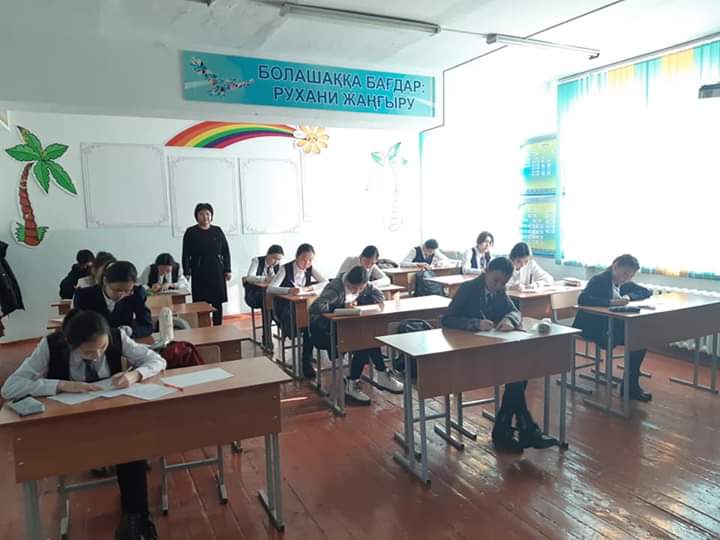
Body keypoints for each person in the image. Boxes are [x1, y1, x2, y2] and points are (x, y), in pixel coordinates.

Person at [1, 309, 164, 539]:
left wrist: (134, 375)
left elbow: (157, 360)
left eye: (102, 348)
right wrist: (61, 385)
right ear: (70, 343)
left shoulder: (116, 336)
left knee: (132, 446)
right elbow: (10, 387)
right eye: (88, 352)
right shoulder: (51, 345)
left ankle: (135, 518)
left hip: (114, 418)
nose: (97, 356)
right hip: (70, 424)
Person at [442, 257, 557, 453]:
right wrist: (475, 323)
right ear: (487, 271)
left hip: (491, 348)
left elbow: (515, 312)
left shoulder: (500, 290)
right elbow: (448, 319)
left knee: (519, 372)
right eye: (495, 280)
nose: (498, 286)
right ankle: (521, 427)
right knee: (517, 375)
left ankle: (510, 429)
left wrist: (509, 320)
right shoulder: (469, 288)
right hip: (467, 352)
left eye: (503, 283)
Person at [309, 266, 403, 404]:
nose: (357, 291)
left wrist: (369, 302)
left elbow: (379, 295)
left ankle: (364, 379)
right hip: (324, 331)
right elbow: (315, 307)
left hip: (347, 328)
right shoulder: (335, 288)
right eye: (353, 288)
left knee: (367, 338)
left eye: (360, 288)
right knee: (364, 341)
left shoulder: (364, 284)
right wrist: (342, 307)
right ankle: (374, 376)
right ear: (347, 281)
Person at [573, 254, 653, 401]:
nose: (627, 278)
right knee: (636, 339)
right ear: (615, 266)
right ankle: (630, 387)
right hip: (594, 327)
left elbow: (647, 291)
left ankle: (630, 386)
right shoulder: (599, 280)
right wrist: (611, 302)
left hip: (611, 325)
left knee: (640, 340)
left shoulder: (624, 284)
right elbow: (583, 299)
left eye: (631, 275)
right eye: (625, 273)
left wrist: (628, 297)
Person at [268, 243, 327, 378]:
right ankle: (302, 352)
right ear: (296, 257)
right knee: (306, 325)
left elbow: (325, 283)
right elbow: (270, 288)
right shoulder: (285, 268)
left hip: (304, 306)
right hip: (285, 308)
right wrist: (289, 290)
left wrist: (310, 288)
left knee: (310, 325)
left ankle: (306, 361)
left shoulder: (310, 268)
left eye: (310, 260)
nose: (307, 263)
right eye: (304, 260)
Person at [74, 261, 153, 338]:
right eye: (117, 290)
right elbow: (77, 329)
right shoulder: (84, 296)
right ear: (105, 281)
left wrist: (130, 331)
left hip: (123, 342)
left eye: (127, 291)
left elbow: (147, 326)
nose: (122, 295)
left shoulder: (136, 293)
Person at [182, 203, 231, 326]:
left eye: (207, 214)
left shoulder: (217, 231)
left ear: (211, 216)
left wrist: (228, 269)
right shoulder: (191, 232)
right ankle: (203, 328)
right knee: (200, 302)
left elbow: (225, 251)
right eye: (201, 214)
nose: (205, 217)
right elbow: (185, 254)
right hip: (199, 272)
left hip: (217, 271)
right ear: (196, 216)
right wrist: (186, 271)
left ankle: (218, 327)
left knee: (217, 302)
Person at [244, 245, 284, 349]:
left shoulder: (278, 266)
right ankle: (270, 335)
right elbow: (249, 277)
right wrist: (265, 279)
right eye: (274, 258)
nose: (276, 262)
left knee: (273, 303)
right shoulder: (257, 261)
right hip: (254, 295)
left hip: (270, 297)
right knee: (267, 305)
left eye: (279, 259)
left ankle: (269, 336)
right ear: (267, 255)